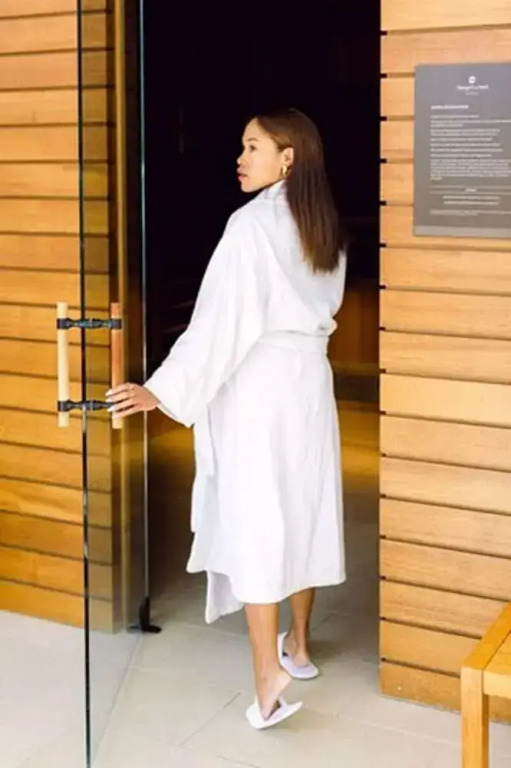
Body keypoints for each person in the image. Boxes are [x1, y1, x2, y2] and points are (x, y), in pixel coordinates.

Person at [106, 108, 347, 730]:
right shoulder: (325, 226)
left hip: (260, 389)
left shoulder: (251, 226)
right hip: (308, 385)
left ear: (288, 158)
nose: (240, 159)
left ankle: (267, 678)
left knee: (261, 516)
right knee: (304, 503)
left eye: (252, 146)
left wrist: (161, 390)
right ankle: (299, 646)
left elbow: (219, 322)